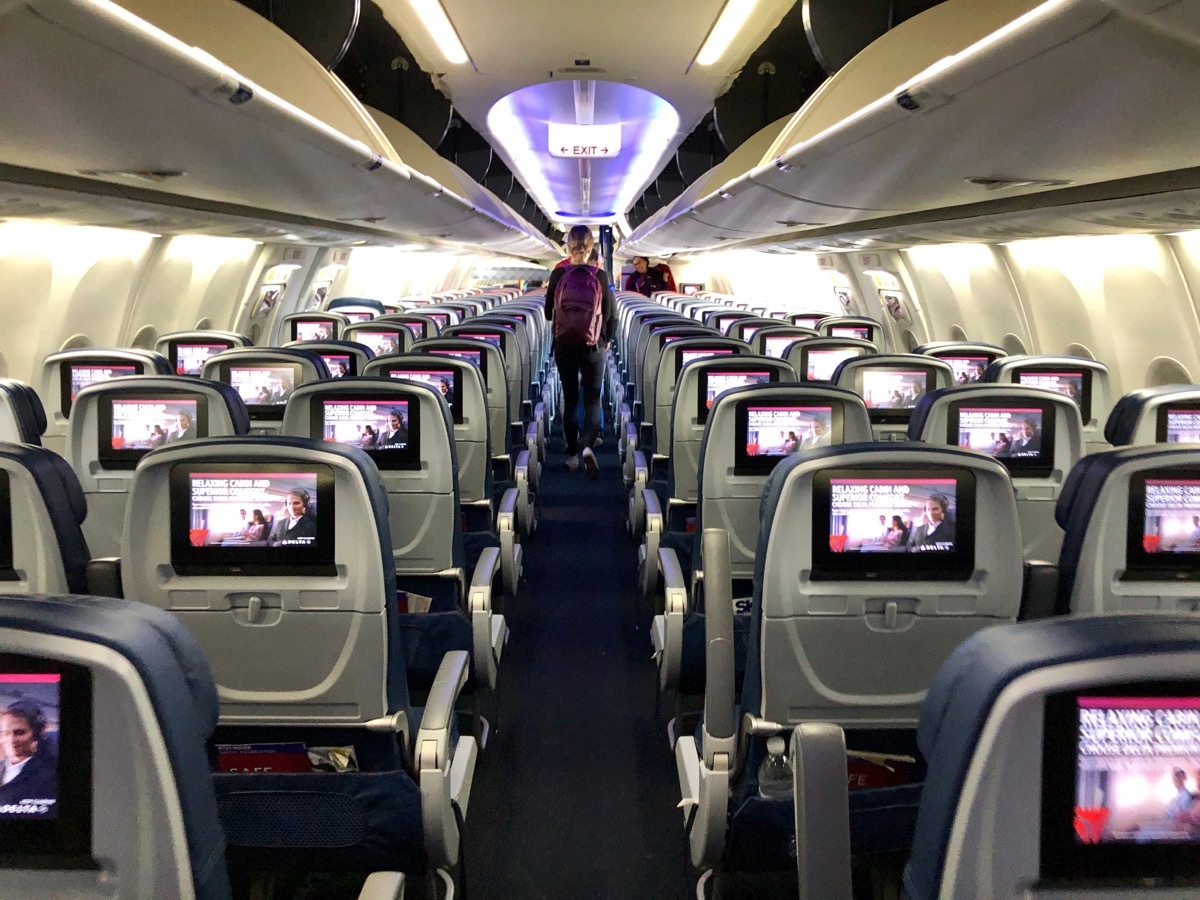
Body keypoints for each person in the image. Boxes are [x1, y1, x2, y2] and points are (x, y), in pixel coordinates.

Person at [544, 225, 616, 477]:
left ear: (568, 246)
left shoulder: (558, 274)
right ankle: (587, 446)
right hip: (593, 346)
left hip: (564, 345)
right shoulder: (601, 276)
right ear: (591, 247)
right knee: (593, 399)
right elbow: (610, 316)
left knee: (570, 398)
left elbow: (546, 313)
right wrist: (605, 340)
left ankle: (573, 454)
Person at [0, 701, 57, 811]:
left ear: (37, 734)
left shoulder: (50, 776)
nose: (11, 740)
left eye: (19, 732)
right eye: (5, 733)